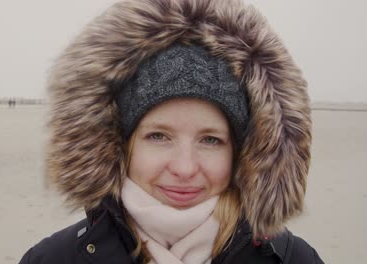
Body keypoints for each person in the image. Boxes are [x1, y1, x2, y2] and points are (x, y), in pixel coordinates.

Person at [20, 0, 323, 263]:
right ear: (122, 145)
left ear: (240, 154)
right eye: (158, 136)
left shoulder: (295, 259)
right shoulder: (51, 259)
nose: (184, 168)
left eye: (210, 140)